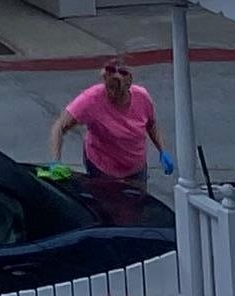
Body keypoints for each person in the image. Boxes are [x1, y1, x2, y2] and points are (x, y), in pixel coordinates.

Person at [51, 53, 174, 199]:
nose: (113, 93)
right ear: (104, 79)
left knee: (137, 208)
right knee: (107, 209)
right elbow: (59, 127)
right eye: (110, 87)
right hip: (102, 169)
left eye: (122, 74)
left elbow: (152, 125)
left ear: (129, 82)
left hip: (135, 169)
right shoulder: (90, 100)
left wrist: (162, 150)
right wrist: (56, 161)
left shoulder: (142, 97)